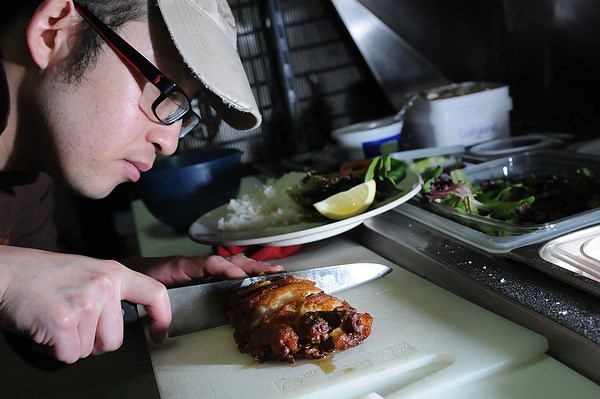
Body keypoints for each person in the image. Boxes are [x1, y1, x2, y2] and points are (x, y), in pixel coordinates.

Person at [0, 0, 283, 364]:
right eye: (166, 92)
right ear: (55, 31)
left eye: (185, 111)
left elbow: (41, 336)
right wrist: (6, 277)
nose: (169, 143)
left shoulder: (27, 180)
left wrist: (138, 282)